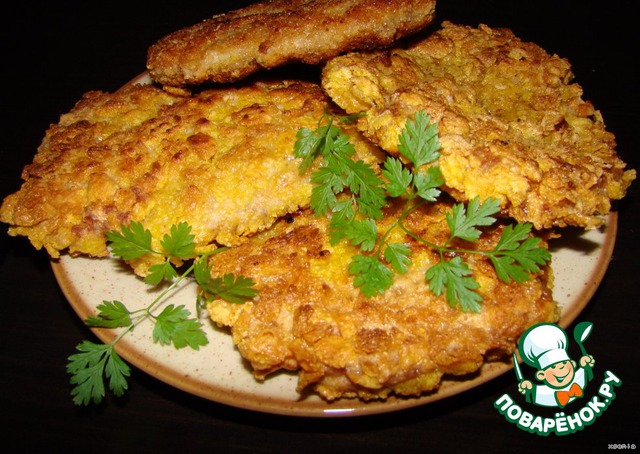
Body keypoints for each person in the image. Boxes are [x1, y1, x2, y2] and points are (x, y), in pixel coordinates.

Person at [517, 323, 595, 408]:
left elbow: (584, 373)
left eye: (564, 363)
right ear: (541, 375)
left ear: (573, 363)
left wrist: (585, 365)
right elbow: (534, 392)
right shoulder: (545, 393)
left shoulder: (579, 379)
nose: (561, 369)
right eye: (553, 367)